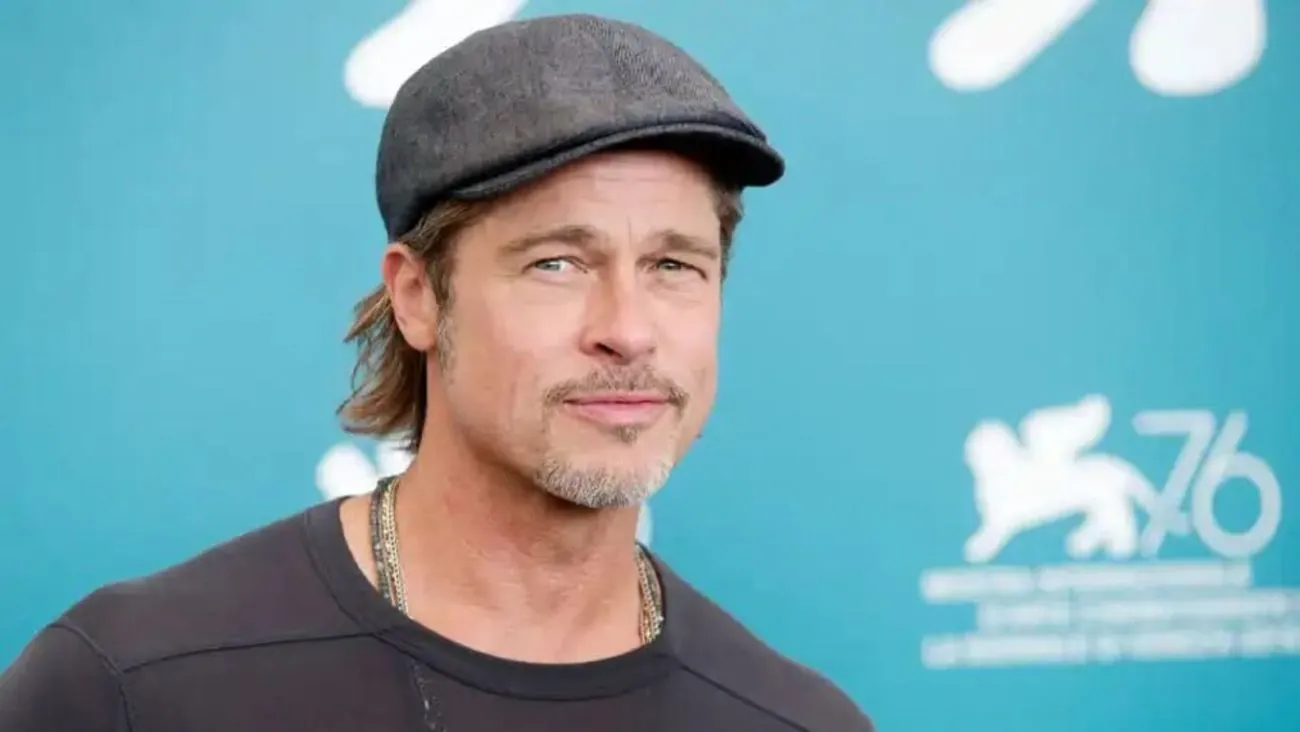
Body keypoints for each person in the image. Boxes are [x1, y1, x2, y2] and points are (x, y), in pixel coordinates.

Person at [0, 13, 874, 731]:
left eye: (674, 266)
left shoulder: (798, 721)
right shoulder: (131, 683)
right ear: (418, 297)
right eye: (557, 263)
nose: (628, 331)